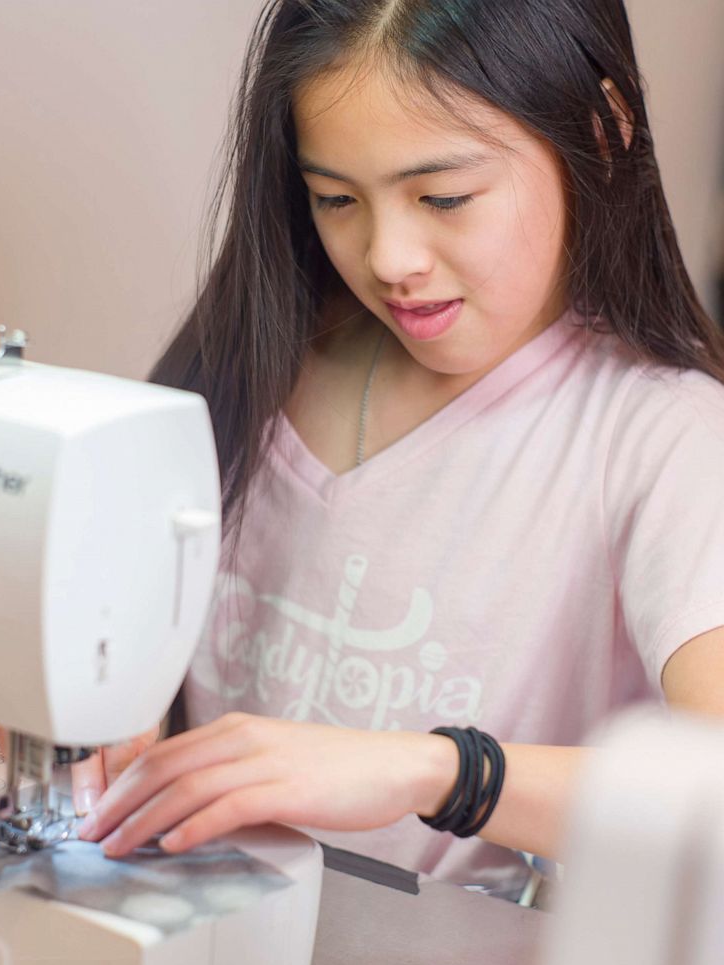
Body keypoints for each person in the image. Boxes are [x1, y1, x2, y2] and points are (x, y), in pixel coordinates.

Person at [74, 0, 724, 900]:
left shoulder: (662, 438)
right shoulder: (248, 370)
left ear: (602, 134)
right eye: (335, 199)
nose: (389, 257)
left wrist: (440, 773)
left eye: (443, 197)